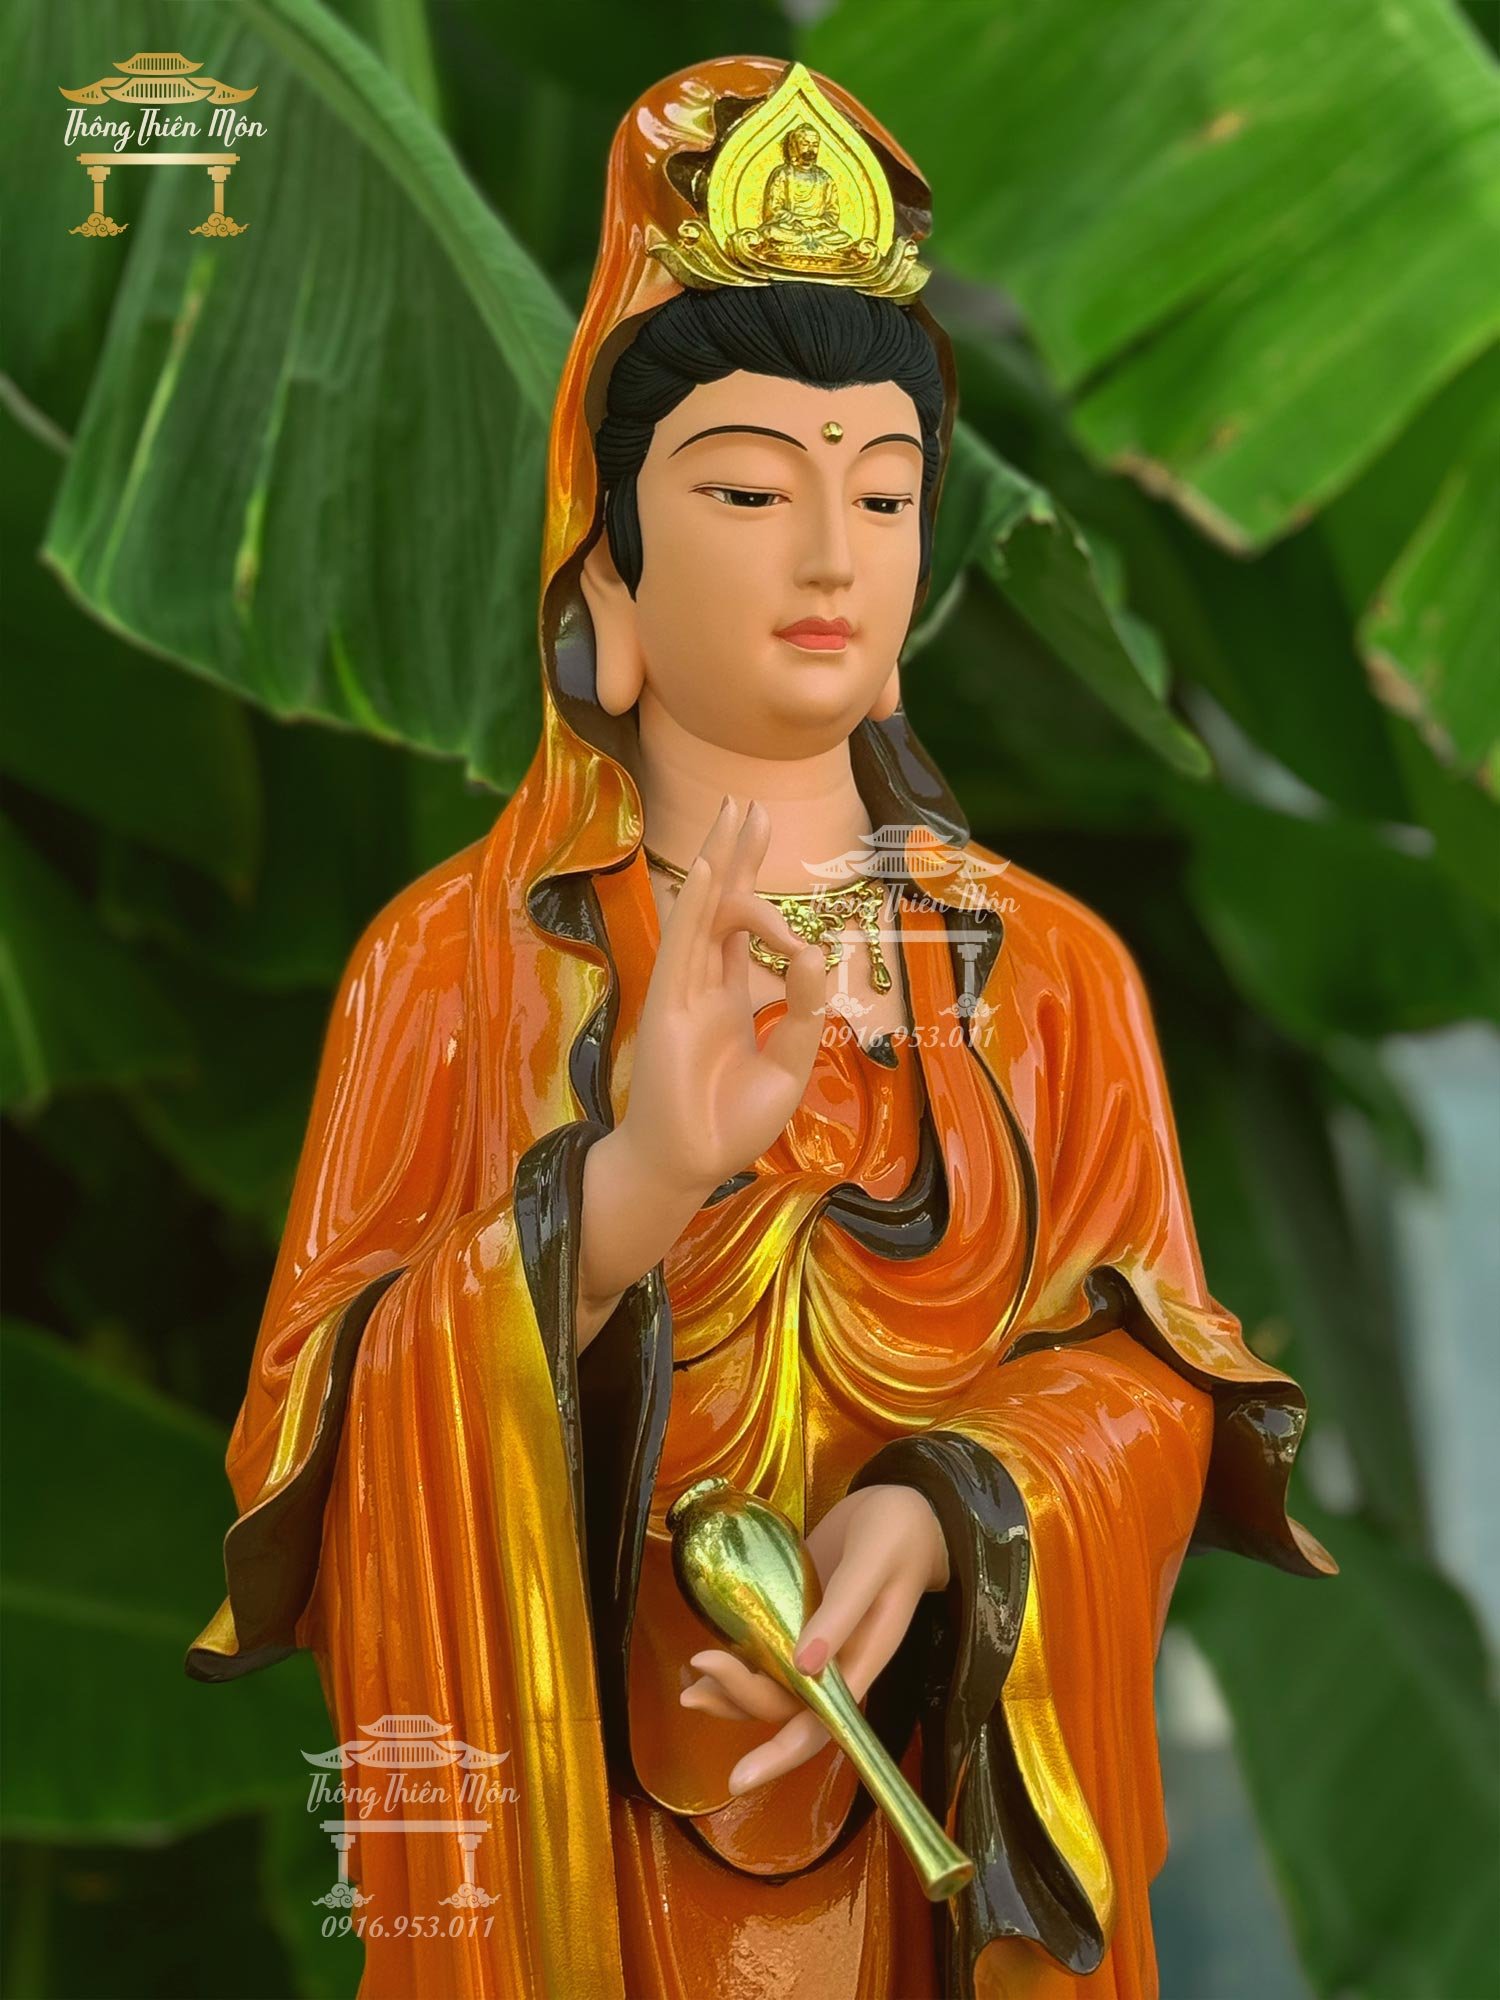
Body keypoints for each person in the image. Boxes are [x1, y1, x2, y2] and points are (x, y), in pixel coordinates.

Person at [186, 56, 1337, 2000]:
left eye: (883, 493)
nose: (830, 553)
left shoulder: (1048, 974)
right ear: (609, 565)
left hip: (929, 1857)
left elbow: (1160, 1379)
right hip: (586, 1870)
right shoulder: (453, 965)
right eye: (745, 488)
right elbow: (326, 1438)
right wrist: (632, 1187)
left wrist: (952, 1505)